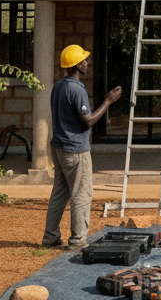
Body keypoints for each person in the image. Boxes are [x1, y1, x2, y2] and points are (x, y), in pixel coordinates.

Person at [42, 44, 122, 249]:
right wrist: (108, 101)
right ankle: (78, 240)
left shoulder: (59, 85)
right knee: (81, 193)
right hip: (75, 149)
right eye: (83, 60)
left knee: (60, 192)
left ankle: (50, 237)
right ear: (76, 66)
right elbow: (88, 121)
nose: (86, 63)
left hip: (59, 147)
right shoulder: (76, 89)